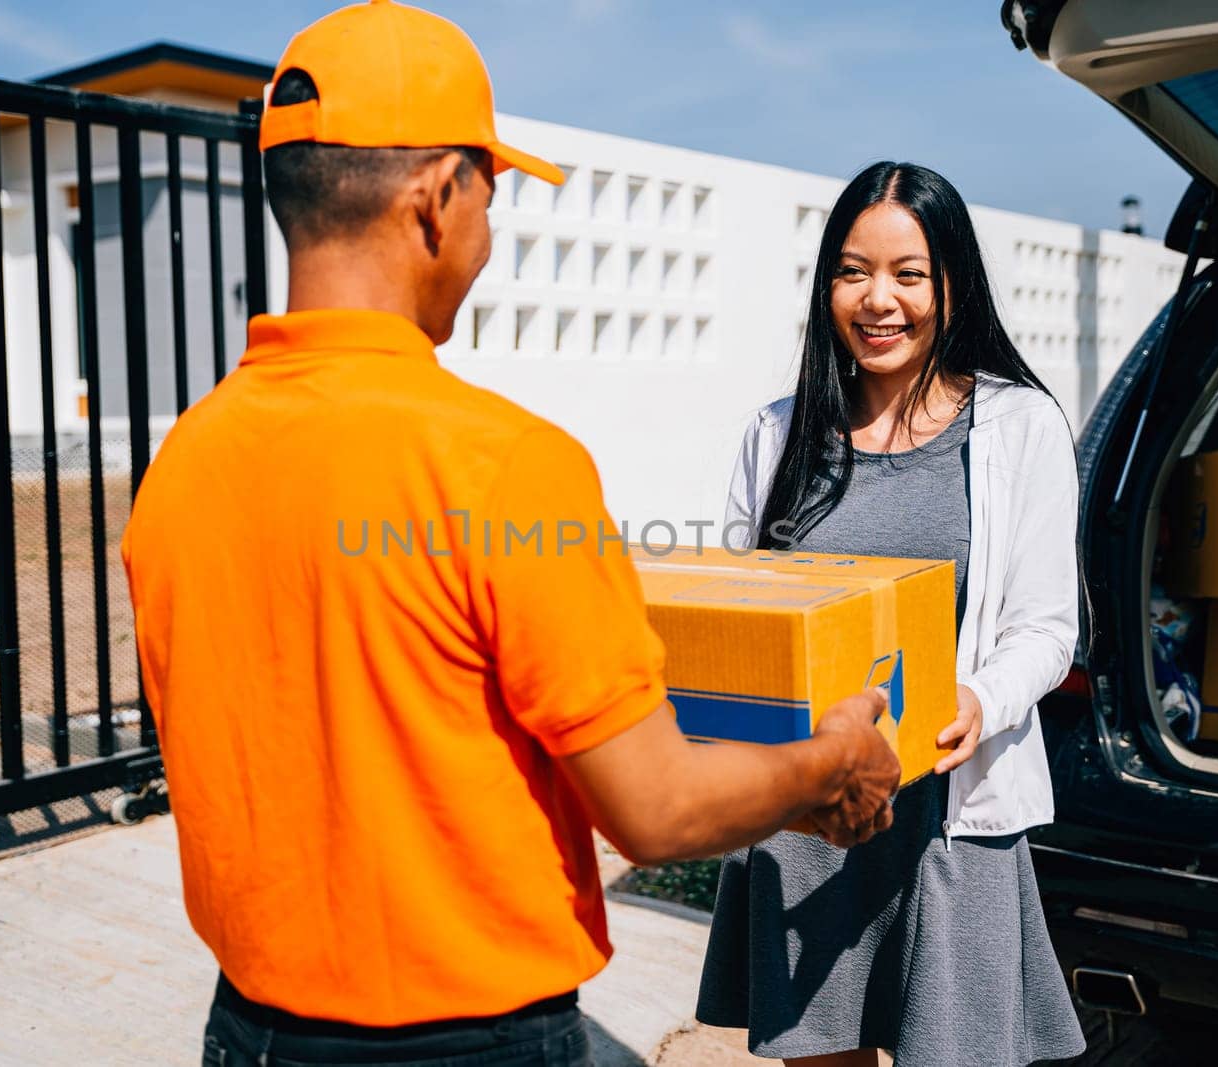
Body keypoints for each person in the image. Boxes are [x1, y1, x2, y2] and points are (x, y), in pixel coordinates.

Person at [121, 4, 902, 1065]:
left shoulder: (185, 463)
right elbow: (658, 807)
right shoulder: (501, 465)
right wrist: (835, 760)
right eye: (491, 196)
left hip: (250, 1030)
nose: (490, 235)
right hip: (467, 1041)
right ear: (438, 198)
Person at [694, 161, 1088, 1066]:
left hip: (945, 810)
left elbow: (1044, 626)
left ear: (953, 283)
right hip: (808, 818)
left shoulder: (1018, 428)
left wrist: (979, 697)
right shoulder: (775, 434)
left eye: (909, 274)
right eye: (852, 271)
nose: (880, 300)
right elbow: (741, 615)